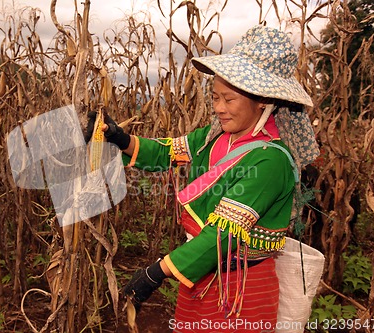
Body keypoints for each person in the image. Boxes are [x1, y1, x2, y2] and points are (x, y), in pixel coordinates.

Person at [85, 25, 319, 332]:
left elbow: (223, 233)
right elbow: (167, 152)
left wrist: (157, 272)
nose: (218, 108)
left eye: (229, 99)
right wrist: (121, 138)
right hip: (201, 277)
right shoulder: (215, 138)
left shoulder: (270, 159)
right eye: (215, 97)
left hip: (240, 292)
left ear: (262, 100)